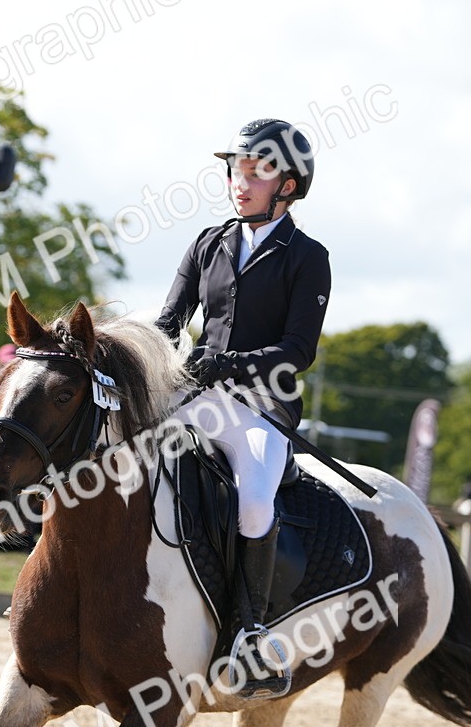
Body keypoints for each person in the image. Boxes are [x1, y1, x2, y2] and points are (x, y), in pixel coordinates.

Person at [155, 119, 329, 699]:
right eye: (237, 169)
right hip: (193, 395)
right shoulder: (209, 243)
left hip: (260, 405)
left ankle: (250, 634)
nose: (241, 180)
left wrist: (227, 365)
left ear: (288, 185)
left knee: (254, 500)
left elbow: (298, 351)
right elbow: (168, 324)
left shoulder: (307, 257)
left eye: (258, 171)